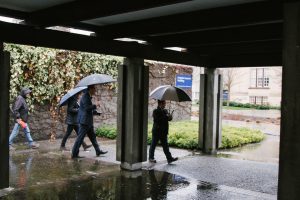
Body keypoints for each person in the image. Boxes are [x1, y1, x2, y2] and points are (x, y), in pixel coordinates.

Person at [71, 85, 107, 158]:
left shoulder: (88, 96)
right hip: (85, 122)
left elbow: (88, 110)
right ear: (90, 89)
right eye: (94, 89)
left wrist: (97, 113)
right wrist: (95, 105)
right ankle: (74, 154)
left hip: (88, 122)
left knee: (93, 137)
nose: (95, 90)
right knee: (80, 138)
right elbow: (87, 108)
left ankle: (98, 151)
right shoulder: (85, 96)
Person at [149, 100, 178, 164]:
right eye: (164, 104)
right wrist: (166, 116)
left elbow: (168, 119)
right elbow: (157, 120)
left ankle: (169, 158)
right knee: (153, 145)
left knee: (165, 146)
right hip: (157, 131)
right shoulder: (155, 111)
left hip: (164, 132)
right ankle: (151, 158)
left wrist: (170, 117)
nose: (165, 105)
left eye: (165, 104)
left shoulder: (165, 111)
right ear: (160, 104)